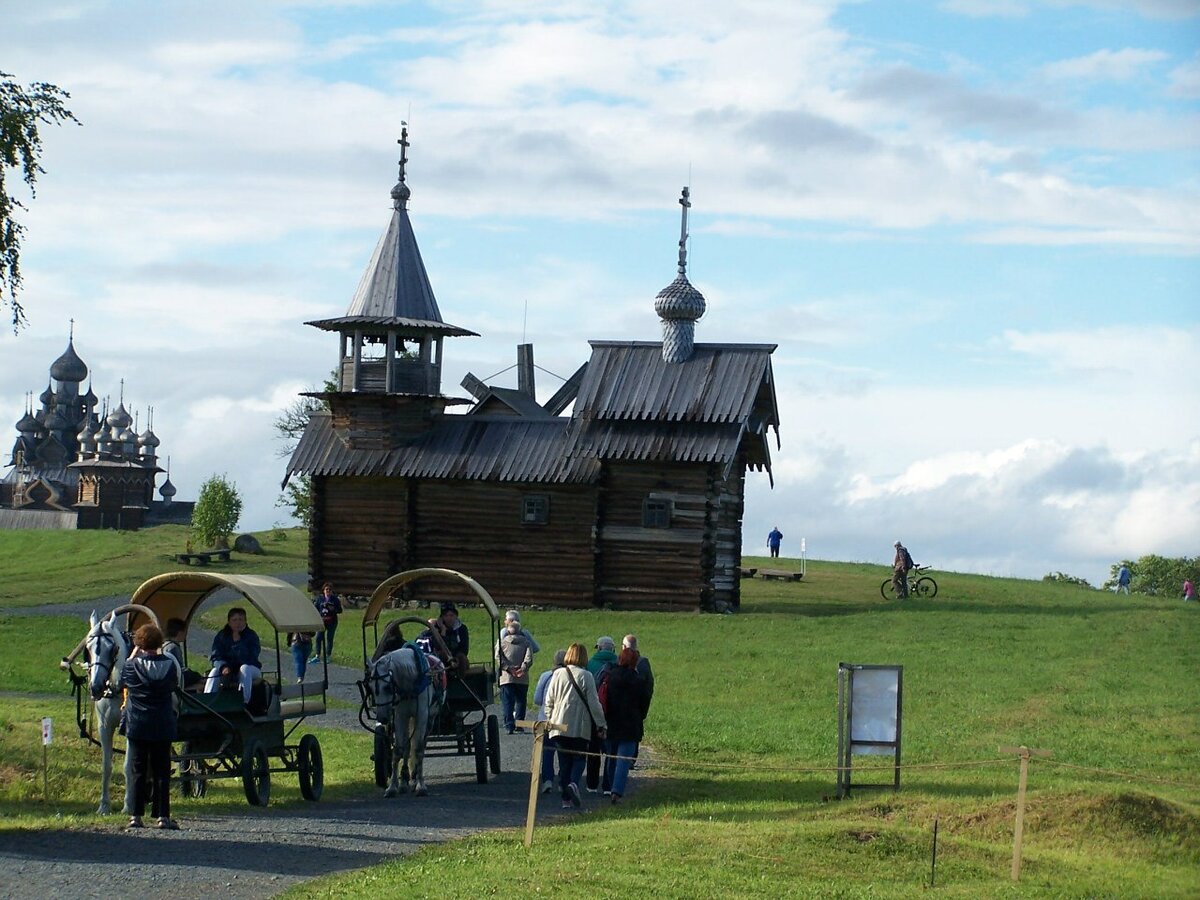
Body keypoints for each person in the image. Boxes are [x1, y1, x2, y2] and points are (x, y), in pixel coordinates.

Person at [119, 623, 180, 830]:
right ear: (159, 642)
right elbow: (173, 686)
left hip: (138, 724)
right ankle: (163, 816)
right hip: (162, 723)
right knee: (162, 771)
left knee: (138, 769)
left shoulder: (131, 666)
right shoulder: (169, 666)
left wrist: (131, 657)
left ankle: (136, 816)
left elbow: (121, 683)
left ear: (138, 643)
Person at [542, 642, 606, 810]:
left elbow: (548, 701)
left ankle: (566, 800)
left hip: (558, 726)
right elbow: (594, 703)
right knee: (579, 758)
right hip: (579, 726)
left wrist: (550, 718)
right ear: (584, 657)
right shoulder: (586, 676)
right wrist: (601, 724)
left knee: (564, 761)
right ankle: (573, 784)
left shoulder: (557, 674)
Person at [603, 647, 651, 804]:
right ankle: (616, 791)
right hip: (631, 724)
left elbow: (605, 699)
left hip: (612, 722)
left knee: (611, 758)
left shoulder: (611, 677)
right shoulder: (638, 680)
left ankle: (609, 787)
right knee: (624, 760)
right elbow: (644, 703)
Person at [204, 607, 262, 703]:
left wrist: (239, 640)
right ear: (229, 622)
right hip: (227, 670)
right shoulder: (222, 636)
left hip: (249, 669)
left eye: (241, 620)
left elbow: (251, 656)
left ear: (245, 621)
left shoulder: (251, 636)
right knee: (215, 671)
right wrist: (224, 667)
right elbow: (216, 656)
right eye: (234, 620)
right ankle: (207, 701)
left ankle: (244, 701)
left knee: (244, 668)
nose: (238, 623)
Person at [585, 636, 618, 791]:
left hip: (593, 711)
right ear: (613, 649)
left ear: (598, 648)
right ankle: (608, 785)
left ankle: (591, 784)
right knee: (611, 750)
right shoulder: (619, 664)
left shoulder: (589, 664)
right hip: (613, 713)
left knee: (593, 749)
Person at [533, 649, 566, 793]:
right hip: (562, 720)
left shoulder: (546, 676)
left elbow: (537, 699)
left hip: (544, 719)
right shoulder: (569, 677)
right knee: (563, 751)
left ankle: (547, 780)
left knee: (547, 751)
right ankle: (563, 781)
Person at [496, 614, 534, 733]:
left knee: (508, 702)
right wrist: (523, 668)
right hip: (522, 677)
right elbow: (529, 658)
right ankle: (519, 724)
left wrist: (508, 668)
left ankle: (509, 725)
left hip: (507, 677)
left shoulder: (502, 643)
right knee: (521, 701)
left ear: (508, 632)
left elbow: (498, 657)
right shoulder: (526, 643)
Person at [311, 582, 343, 663]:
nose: (328, 591)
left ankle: (328, 656)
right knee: (318, 638)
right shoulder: (320, 599)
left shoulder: (335, 599)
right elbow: (316, 609)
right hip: (322, 621)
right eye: (326, 589)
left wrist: (333, 609)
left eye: (329, 589)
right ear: (323, 590)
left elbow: (340, 610)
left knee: (329, 638)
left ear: (331, 591)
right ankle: (317, 655)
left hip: (332, 621)